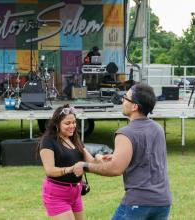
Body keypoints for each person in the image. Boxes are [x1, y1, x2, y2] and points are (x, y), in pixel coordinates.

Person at [73, 83, 172, 220]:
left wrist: (85, 167)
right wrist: (115, 156)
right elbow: (145, 156)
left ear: (134, 106)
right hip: (163, 201)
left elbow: (115, 169)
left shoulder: (125, 133)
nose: (122, 101)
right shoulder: (157, 128)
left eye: (126, 98)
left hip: (139, 201)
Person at [38, 104, 96, 220]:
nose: (72, 126)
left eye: (74, 122)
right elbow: (49, 170)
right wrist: (70, 169)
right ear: (57, 124)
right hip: (56, 195)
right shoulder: (48, 141)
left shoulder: (74, 138)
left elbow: (91, 161)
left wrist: (101, 158)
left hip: (76, 193)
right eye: (67, 123)